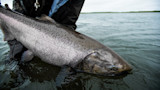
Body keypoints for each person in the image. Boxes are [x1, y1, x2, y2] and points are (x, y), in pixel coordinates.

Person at [6, 0, 85, 61]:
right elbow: (19, 14)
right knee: (17, 58)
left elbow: (68, 24)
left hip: (50, 29)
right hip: (21, 22)